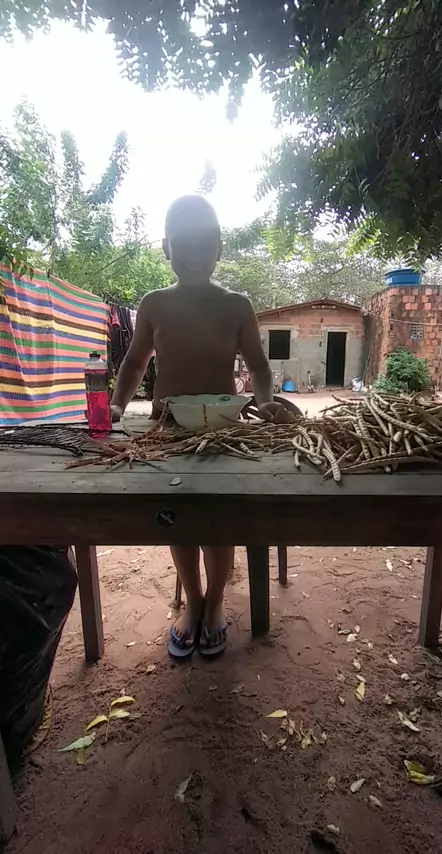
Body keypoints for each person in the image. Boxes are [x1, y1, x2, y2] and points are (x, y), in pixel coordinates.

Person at [110, 195, 287, 658]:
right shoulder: (154, 304)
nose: (193, 253)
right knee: (178, 517)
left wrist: (265, 402)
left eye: (204, 243)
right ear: (166, 248)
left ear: (219, 249)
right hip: (168, 431)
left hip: (223, 431)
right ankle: (192, 601)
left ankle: (215, 602)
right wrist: (116, 406)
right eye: (183, 243)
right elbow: (134, 362)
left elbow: (259, 367)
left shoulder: (237, 306)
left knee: (217, 518)